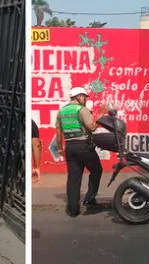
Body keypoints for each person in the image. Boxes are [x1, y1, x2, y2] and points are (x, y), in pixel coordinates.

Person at [55, 87, 106, 217]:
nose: (85, 99)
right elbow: (92, 127)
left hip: (70, 147)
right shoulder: (82, 110)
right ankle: (90, 199)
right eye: (84, 97)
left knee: (73, 178)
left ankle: (73, 210)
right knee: (96, 170)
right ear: (78, 97)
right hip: (83, 146)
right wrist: (100, 117)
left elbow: (58, 132)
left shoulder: (61, 111)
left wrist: (60, 148)